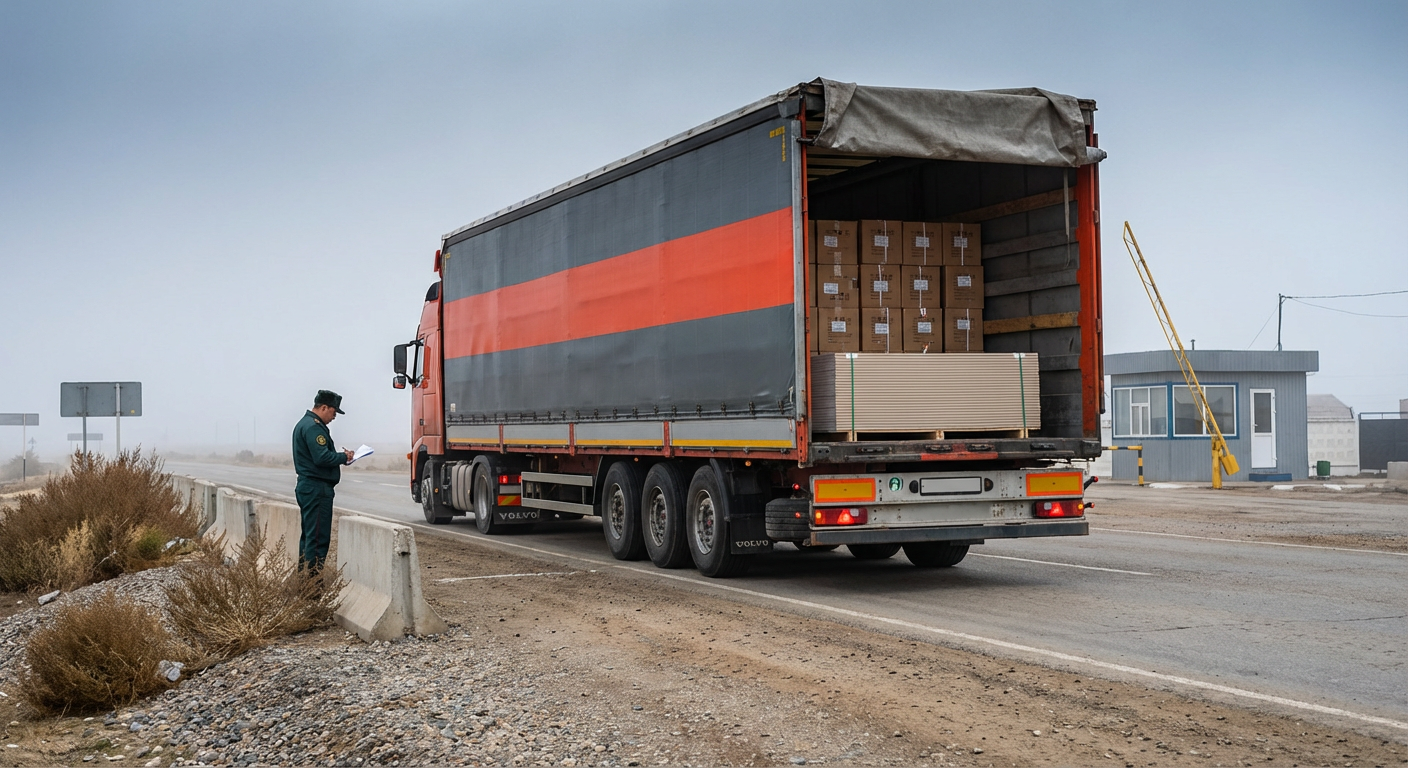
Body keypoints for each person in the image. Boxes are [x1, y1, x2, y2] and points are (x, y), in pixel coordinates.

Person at [292, 390, 353, 571]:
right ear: (324, 407)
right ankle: (313, 583)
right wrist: (343, 457)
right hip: (316, 489)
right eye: (334, 412)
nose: (334, 417)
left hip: (310, 487)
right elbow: (322, 457)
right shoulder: (313, 427)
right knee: (318, 539)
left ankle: (304, 581)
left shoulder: (305, 424)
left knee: (309, 537)